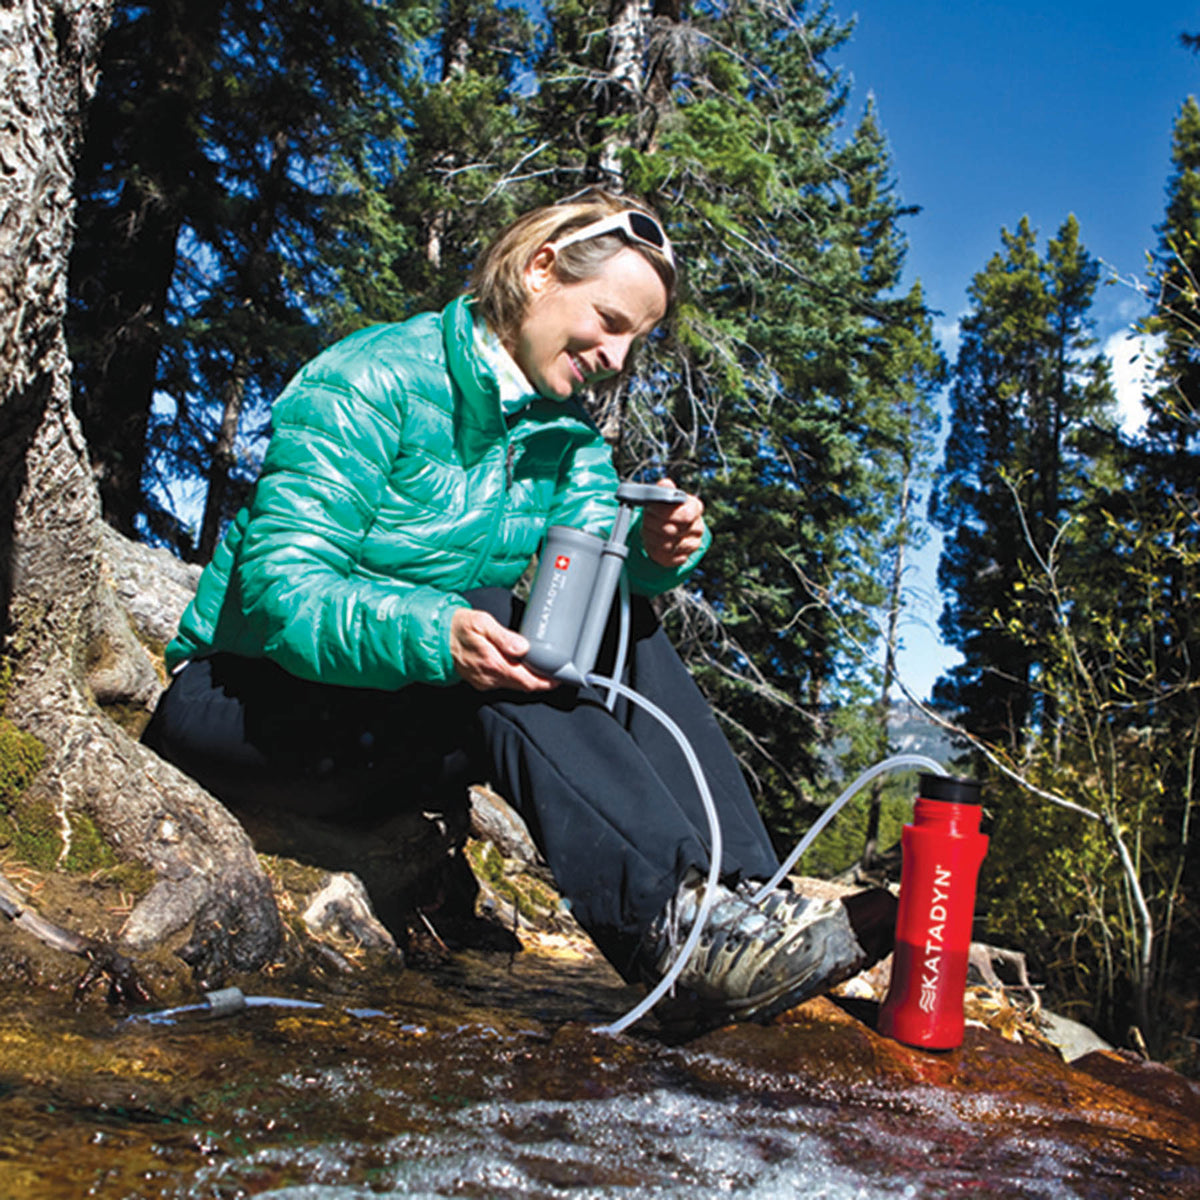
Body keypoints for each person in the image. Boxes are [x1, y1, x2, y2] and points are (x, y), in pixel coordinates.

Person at [144, 189, 893, 1035]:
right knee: (491, 635)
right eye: (609, 321)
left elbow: (600, 598)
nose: (616, 355)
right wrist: (437, 636)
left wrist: (652, 551)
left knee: (608, 617)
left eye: (635, 341)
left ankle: (744, 905)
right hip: (245, 703)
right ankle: (681, 931)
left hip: (393, 724)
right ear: (540, 271)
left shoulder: (567, 442)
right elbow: (281, 592)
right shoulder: (369, 379)